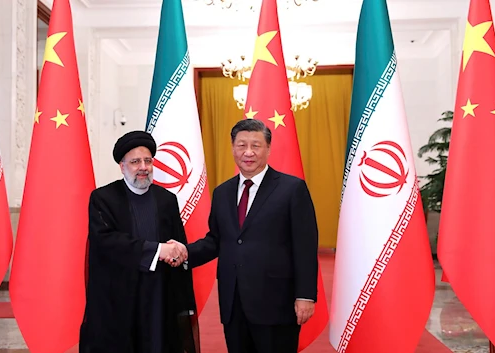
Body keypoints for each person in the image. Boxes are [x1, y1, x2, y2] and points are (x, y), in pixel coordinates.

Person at [172, 119, 319, 353]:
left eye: (256, 145)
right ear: (233, 148)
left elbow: (305, 246)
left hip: (276, 303)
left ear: (268, 149)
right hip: (233, 303)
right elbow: (216, 241)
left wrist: (306, 295)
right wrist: (183, 252)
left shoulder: (292, 189)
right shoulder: (222, 192)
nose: (248, 152)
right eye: (241, 145)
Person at [79, 130, 199, 353]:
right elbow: (108, 242)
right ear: (122, 166)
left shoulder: (166, 199)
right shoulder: (103, 198)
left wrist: (177, 252)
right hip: (119, 298)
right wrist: (158, 250)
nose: (143, 167)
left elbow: (177, 242)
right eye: (135, 162)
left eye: (147, 161)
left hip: (159, 296)